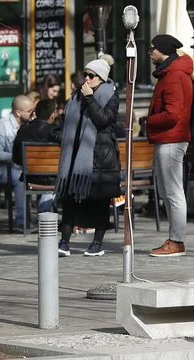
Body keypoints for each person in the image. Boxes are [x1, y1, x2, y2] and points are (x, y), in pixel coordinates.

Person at [55, 59, 121, 257]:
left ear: (101, 78)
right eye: (86, 74)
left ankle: (97, 244)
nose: (87, 79)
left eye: (91, 75)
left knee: (100, 202)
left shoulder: (110, 96)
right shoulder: (78, 96)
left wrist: (90, 98)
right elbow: (67, 123)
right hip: (76, 157)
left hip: (101, 158)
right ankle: (64, 242)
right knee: (70, 199)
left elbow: (102, 120)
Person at [146, 34, 193, 257]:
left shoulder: (173, 76)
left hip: (171, 139)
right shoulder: (169, 73)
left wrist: (148, 121)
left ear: (163, 50)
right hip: (168, 138)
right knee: (168, 191)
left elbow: (172, 114)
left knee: (173, 192)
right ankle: (174, 239)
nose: (149, 52)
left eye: (152, 48)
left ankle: (177, 241)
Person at [0, 95, 35, 230]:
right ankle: (22, 222)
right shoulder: (2, 127)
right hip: (1, 169)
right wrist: (15, 157)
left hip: (19, 166)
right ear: (18, 112)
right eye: (30, 111)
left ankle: (45, 220)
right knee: (21, 179)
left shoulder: (29, 123)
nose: (33, 114)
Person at [11, 99, 60, 215]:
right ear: (52, 115)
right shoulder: (54, 131)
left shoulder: (22, 130)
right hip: (53, 179)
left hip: (29, 178)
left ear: (35, 113)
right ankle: (47, 214)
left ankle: (30, 221)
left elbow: (16, 158)